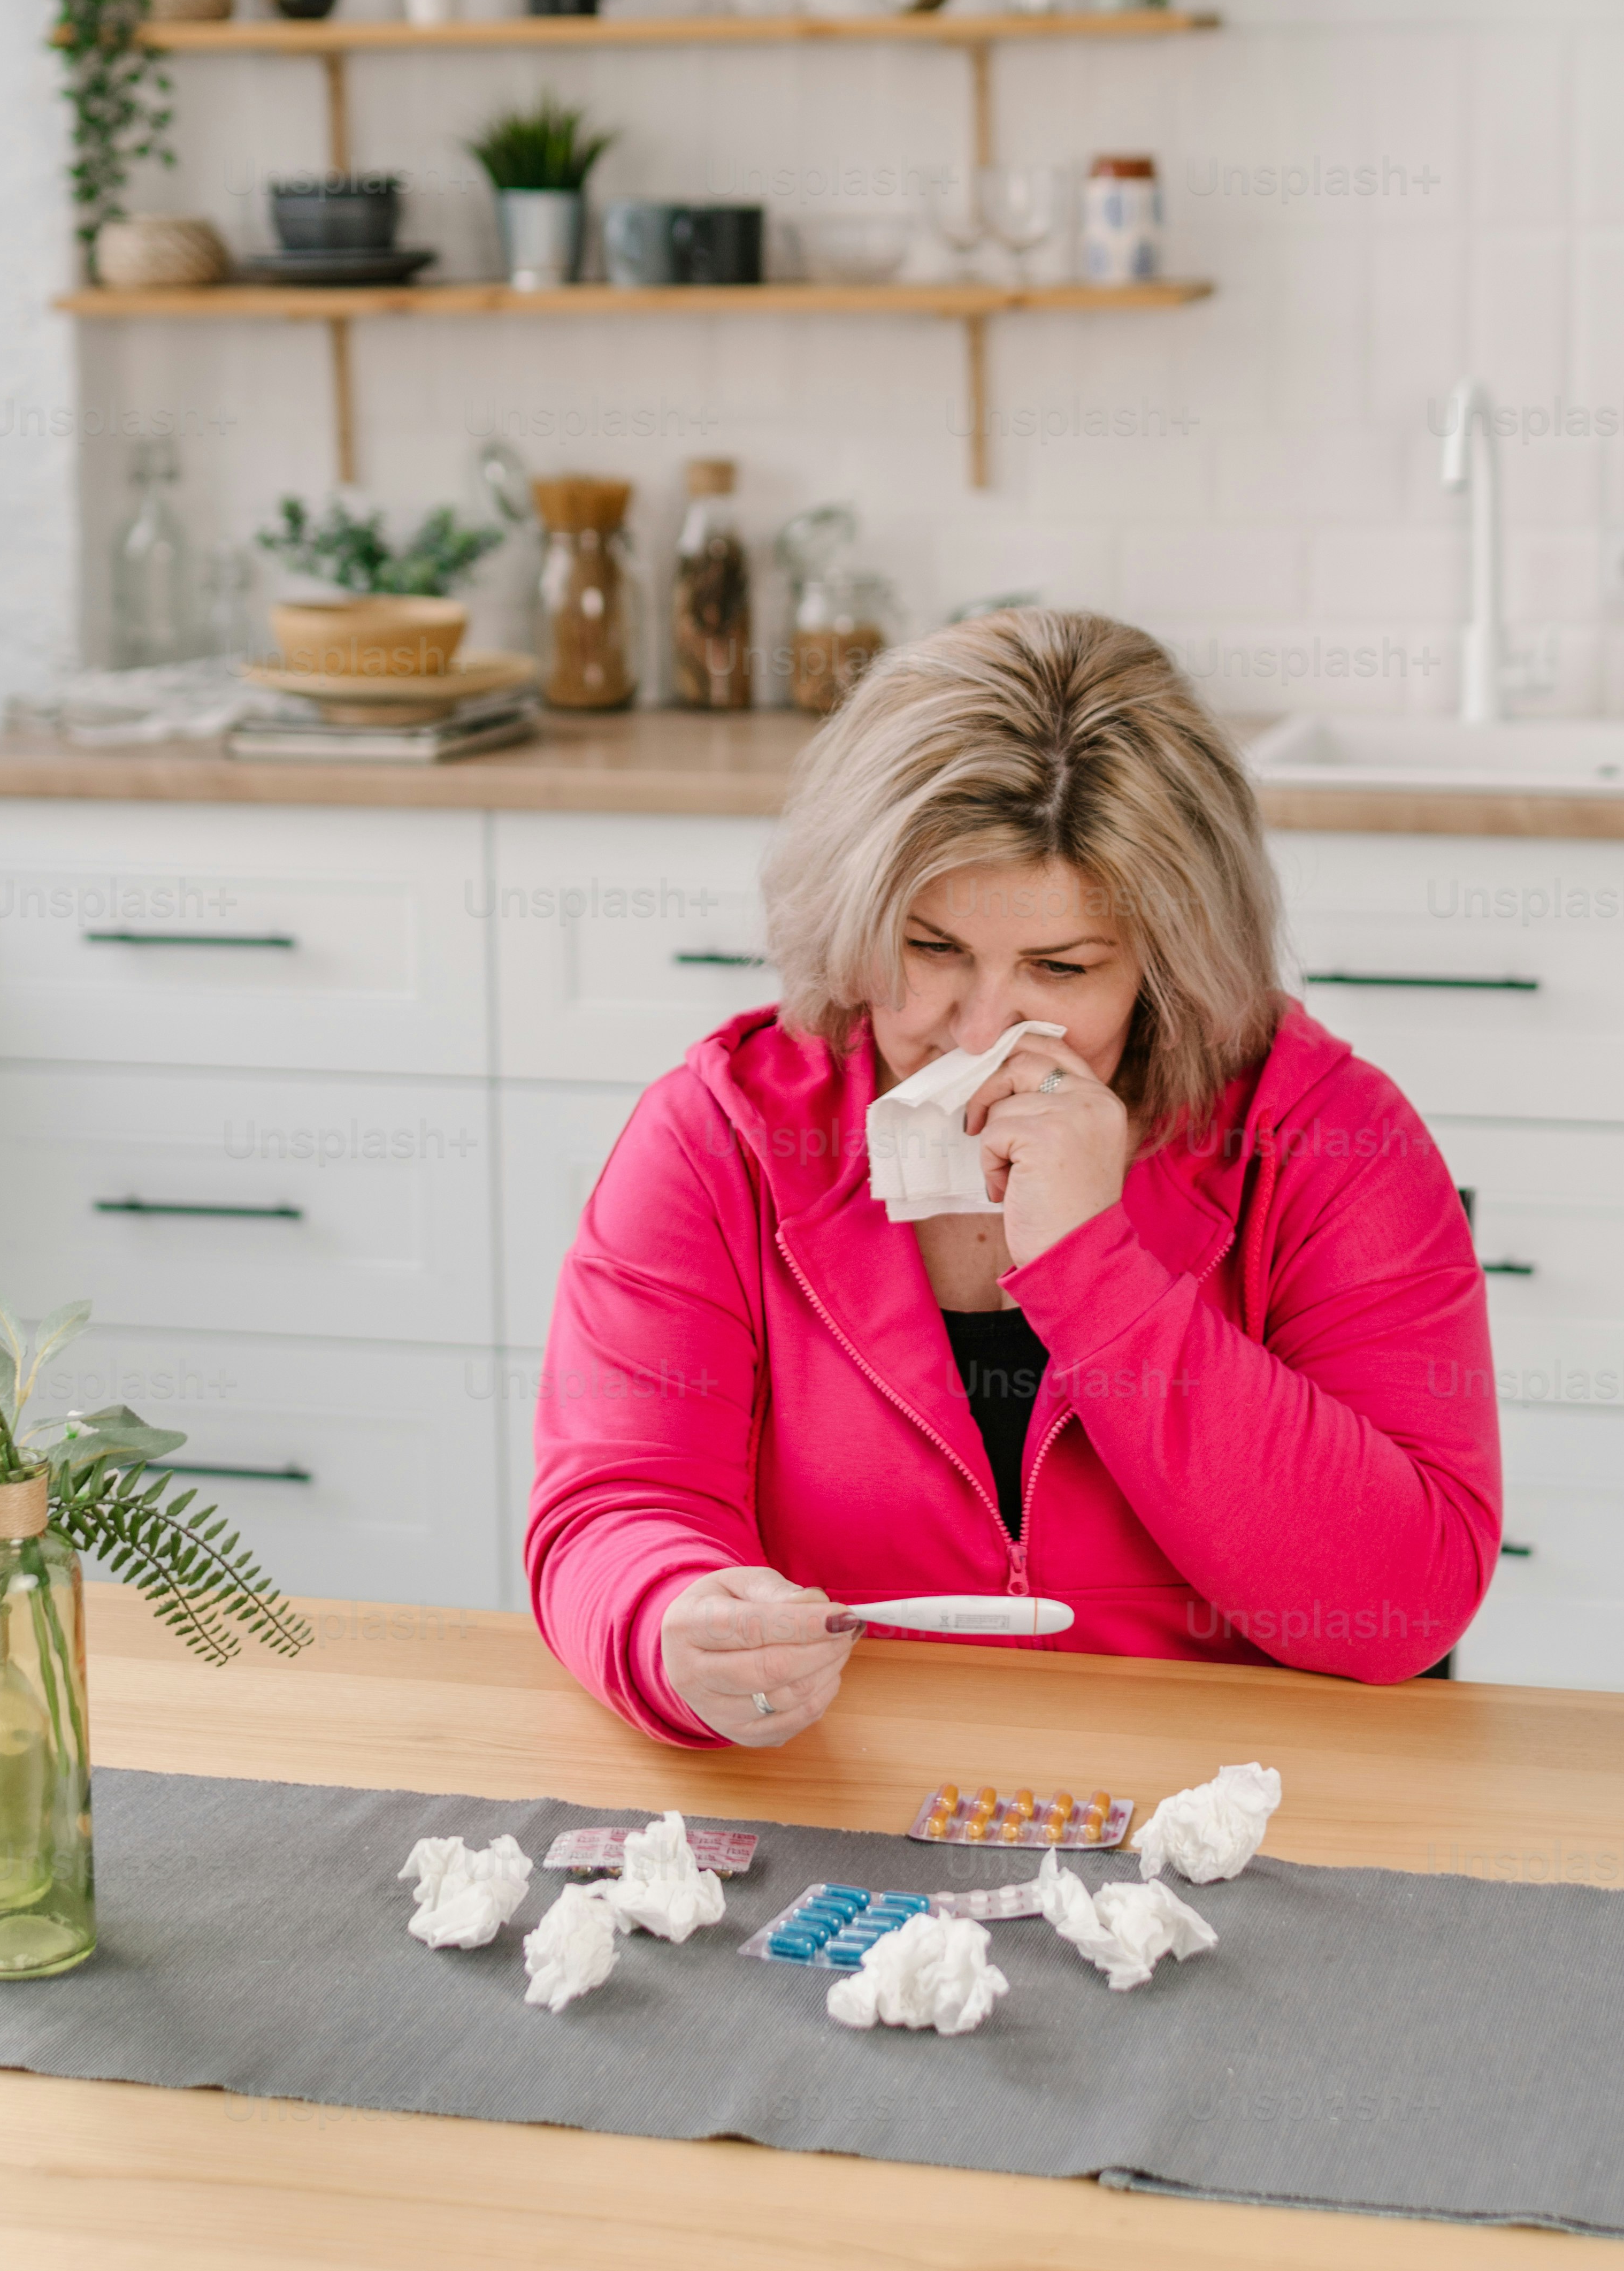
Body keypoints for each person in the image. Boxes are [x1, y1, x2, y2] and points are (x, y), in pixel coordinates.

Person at [527, 610, 1501, 1747]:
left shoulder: (1329, 1140)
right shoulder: (720, 1139)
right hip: (849, 1792)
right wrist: (665, 1622)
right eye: (931, 949)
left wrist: (1098, 1274)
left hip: (1222, 1813)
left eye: (1060, 967)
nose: (975, 1029)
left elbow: (1405, 1599)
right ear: (854, 922)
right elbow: (615, 1512)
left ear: (1165, 968)